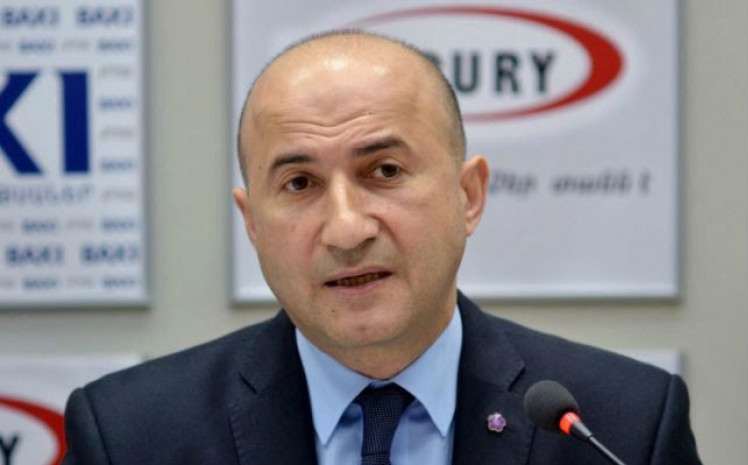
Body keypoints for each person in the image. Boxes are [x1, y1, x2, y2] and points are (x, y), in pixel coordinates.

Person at [62, 30, 702, 465]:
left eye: (385, 171)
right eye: (299, 183)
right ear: (252, 222)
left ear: (469, 196)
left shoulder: (623, 425)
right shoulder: (129, 434)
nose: (347, 229)